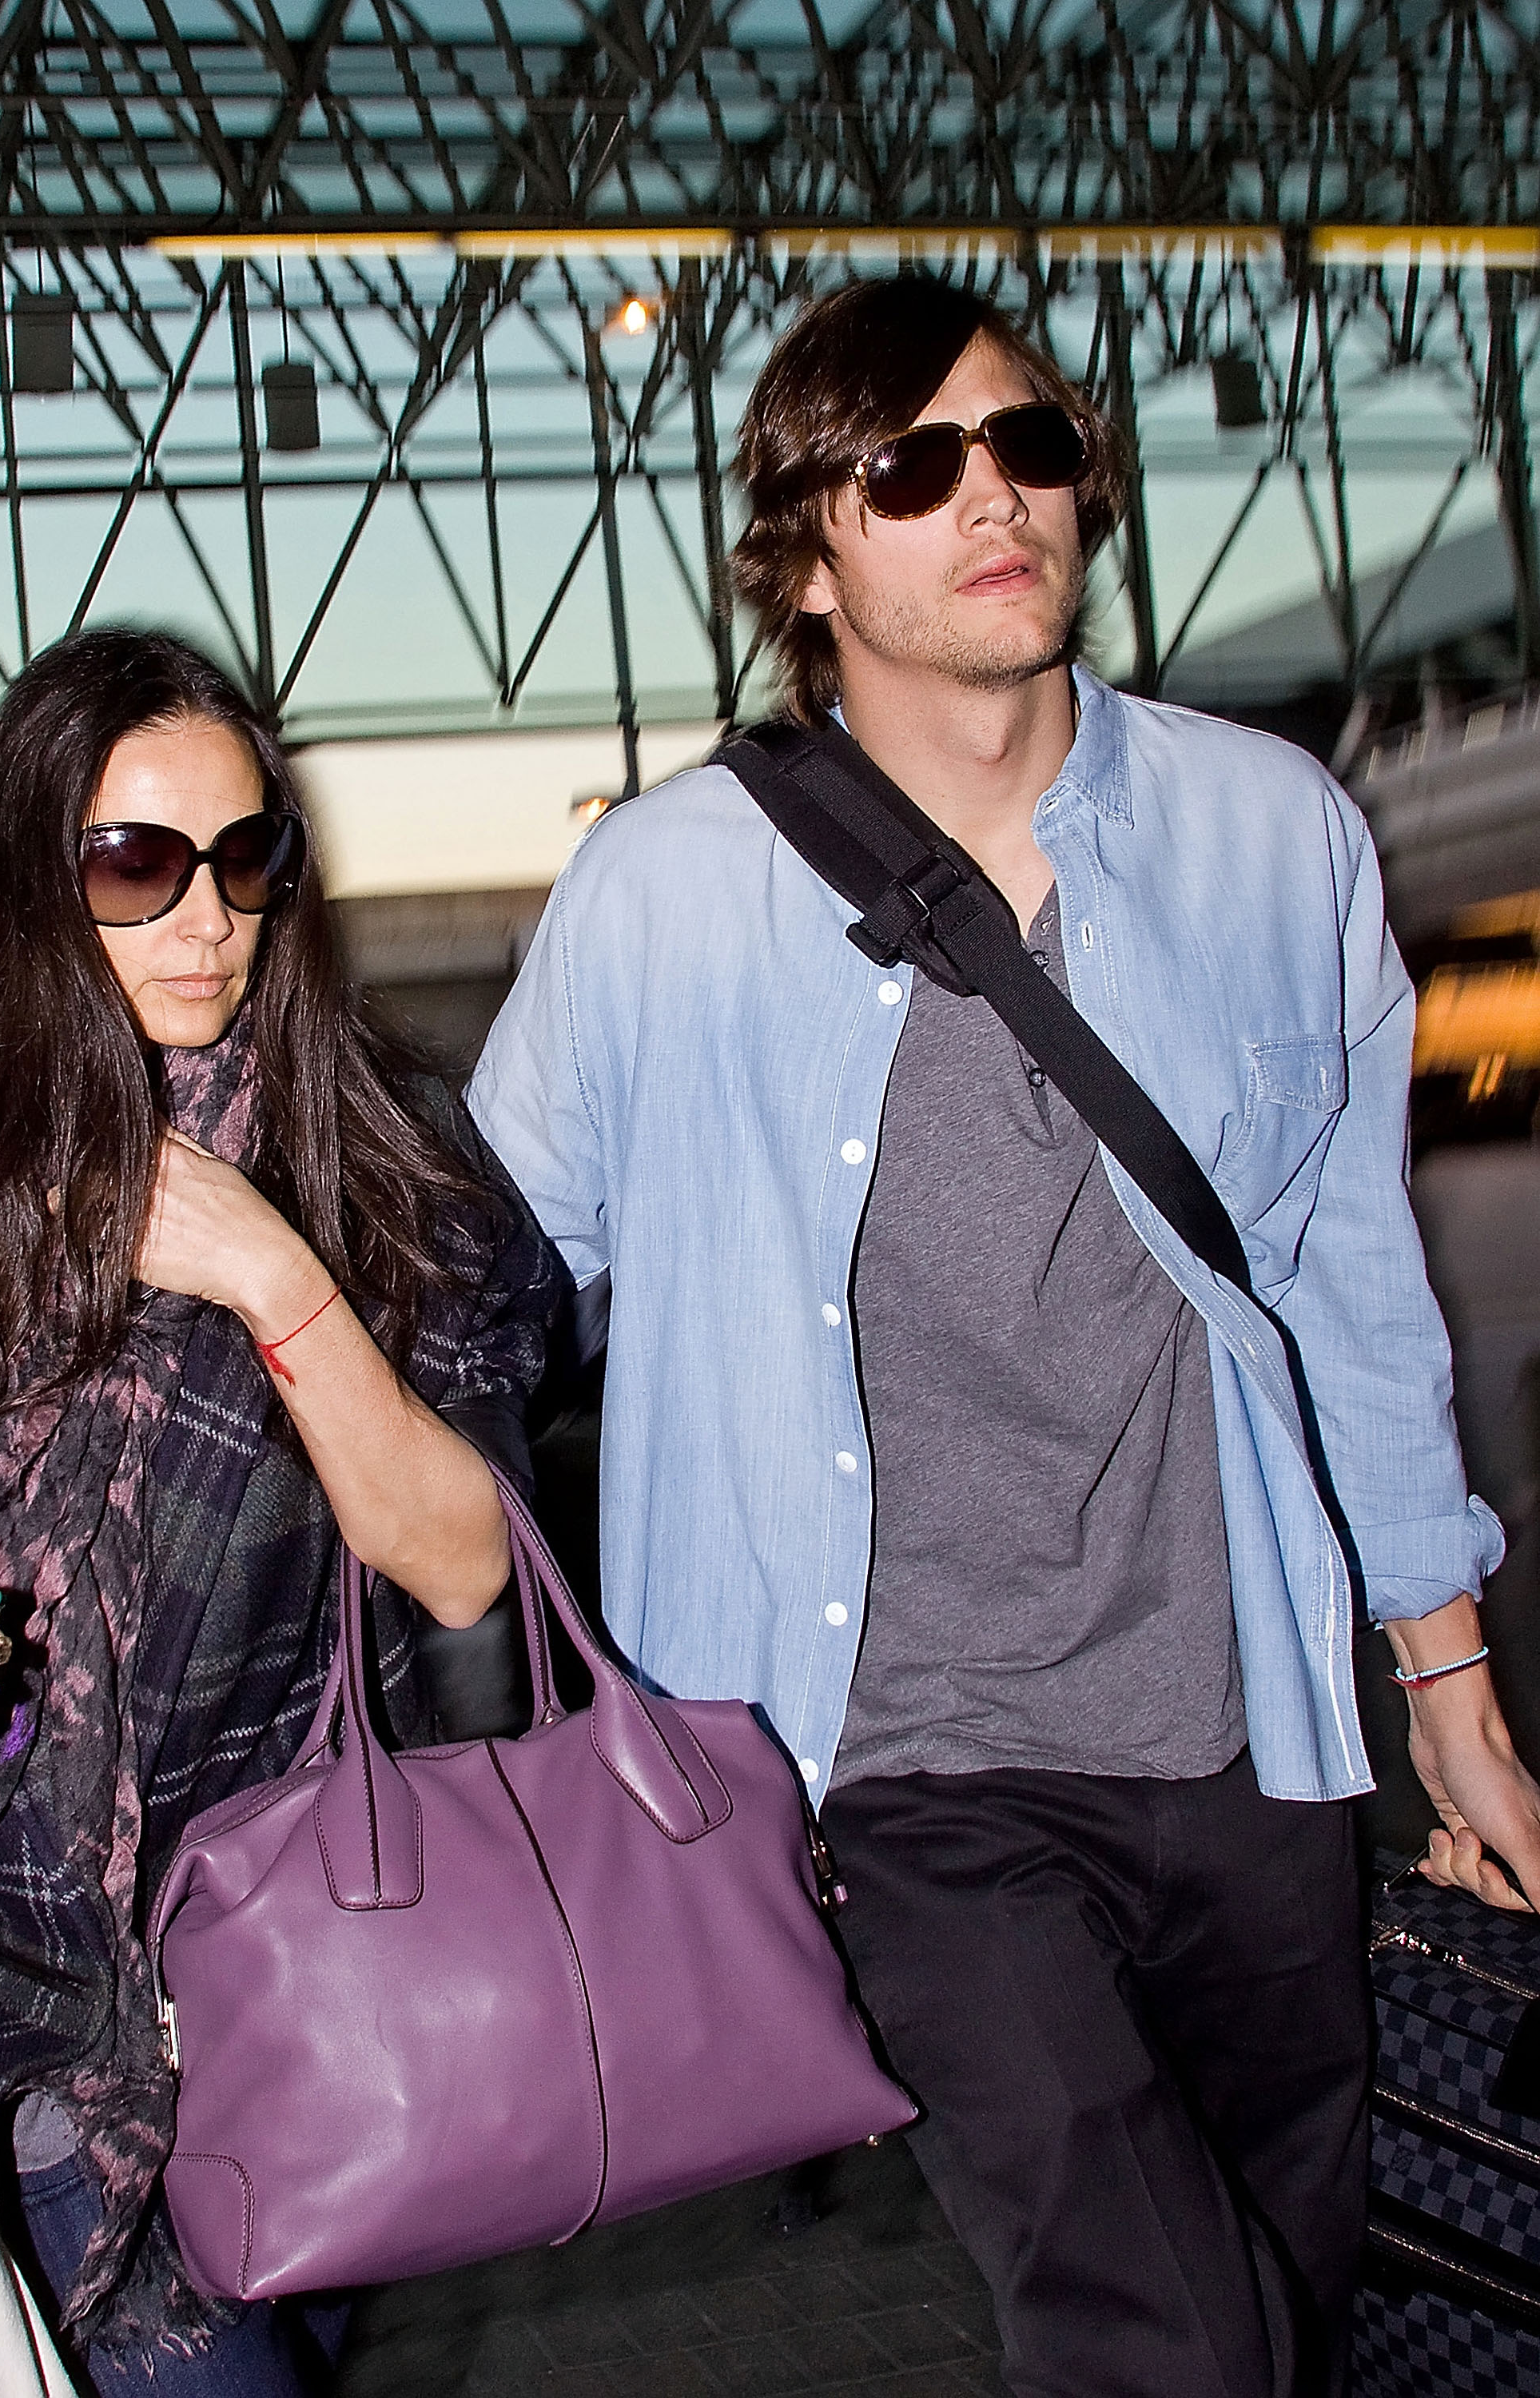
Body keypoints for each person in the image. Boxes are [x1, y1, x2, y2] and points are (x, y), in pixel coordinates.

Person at [466, 274, 1540, 2398]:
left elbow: (1348, 1283)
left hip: (1248, 1737)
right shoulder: (664, 900)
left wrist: (1450, 1686)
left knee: (1292, 2303)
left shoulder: (1269, 836)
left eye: (1031, 446)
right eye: (911, 464)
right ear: (802, 548)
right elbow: (486, 1287)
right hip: (905, 1767)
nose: (993, 495)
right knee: (1161, 2341)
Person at [0, 628, 567, 2393]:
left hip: (314, 2017)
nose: (209, 916)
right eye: (138, 865)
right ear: (33, 888)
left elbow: (467, 1563)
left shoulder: (382, 1174)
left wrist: (278, 1280)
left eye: (248, 856)